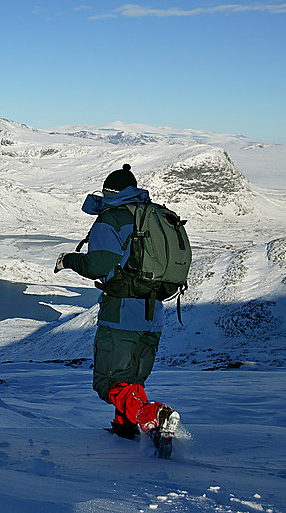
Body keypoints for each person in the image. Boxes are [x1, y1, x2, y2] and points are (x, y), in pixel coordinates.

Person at [54, 164, 180, 453]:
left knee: (108, 382)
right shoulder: (153, 217)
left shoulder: (111, 220)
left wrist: (70, 260)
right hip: (154, 314)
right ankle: (126, 429)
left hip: (122, 314)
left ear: (108, 193)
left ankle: (154, 415)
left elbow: (98, 265)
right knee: (131, 381)